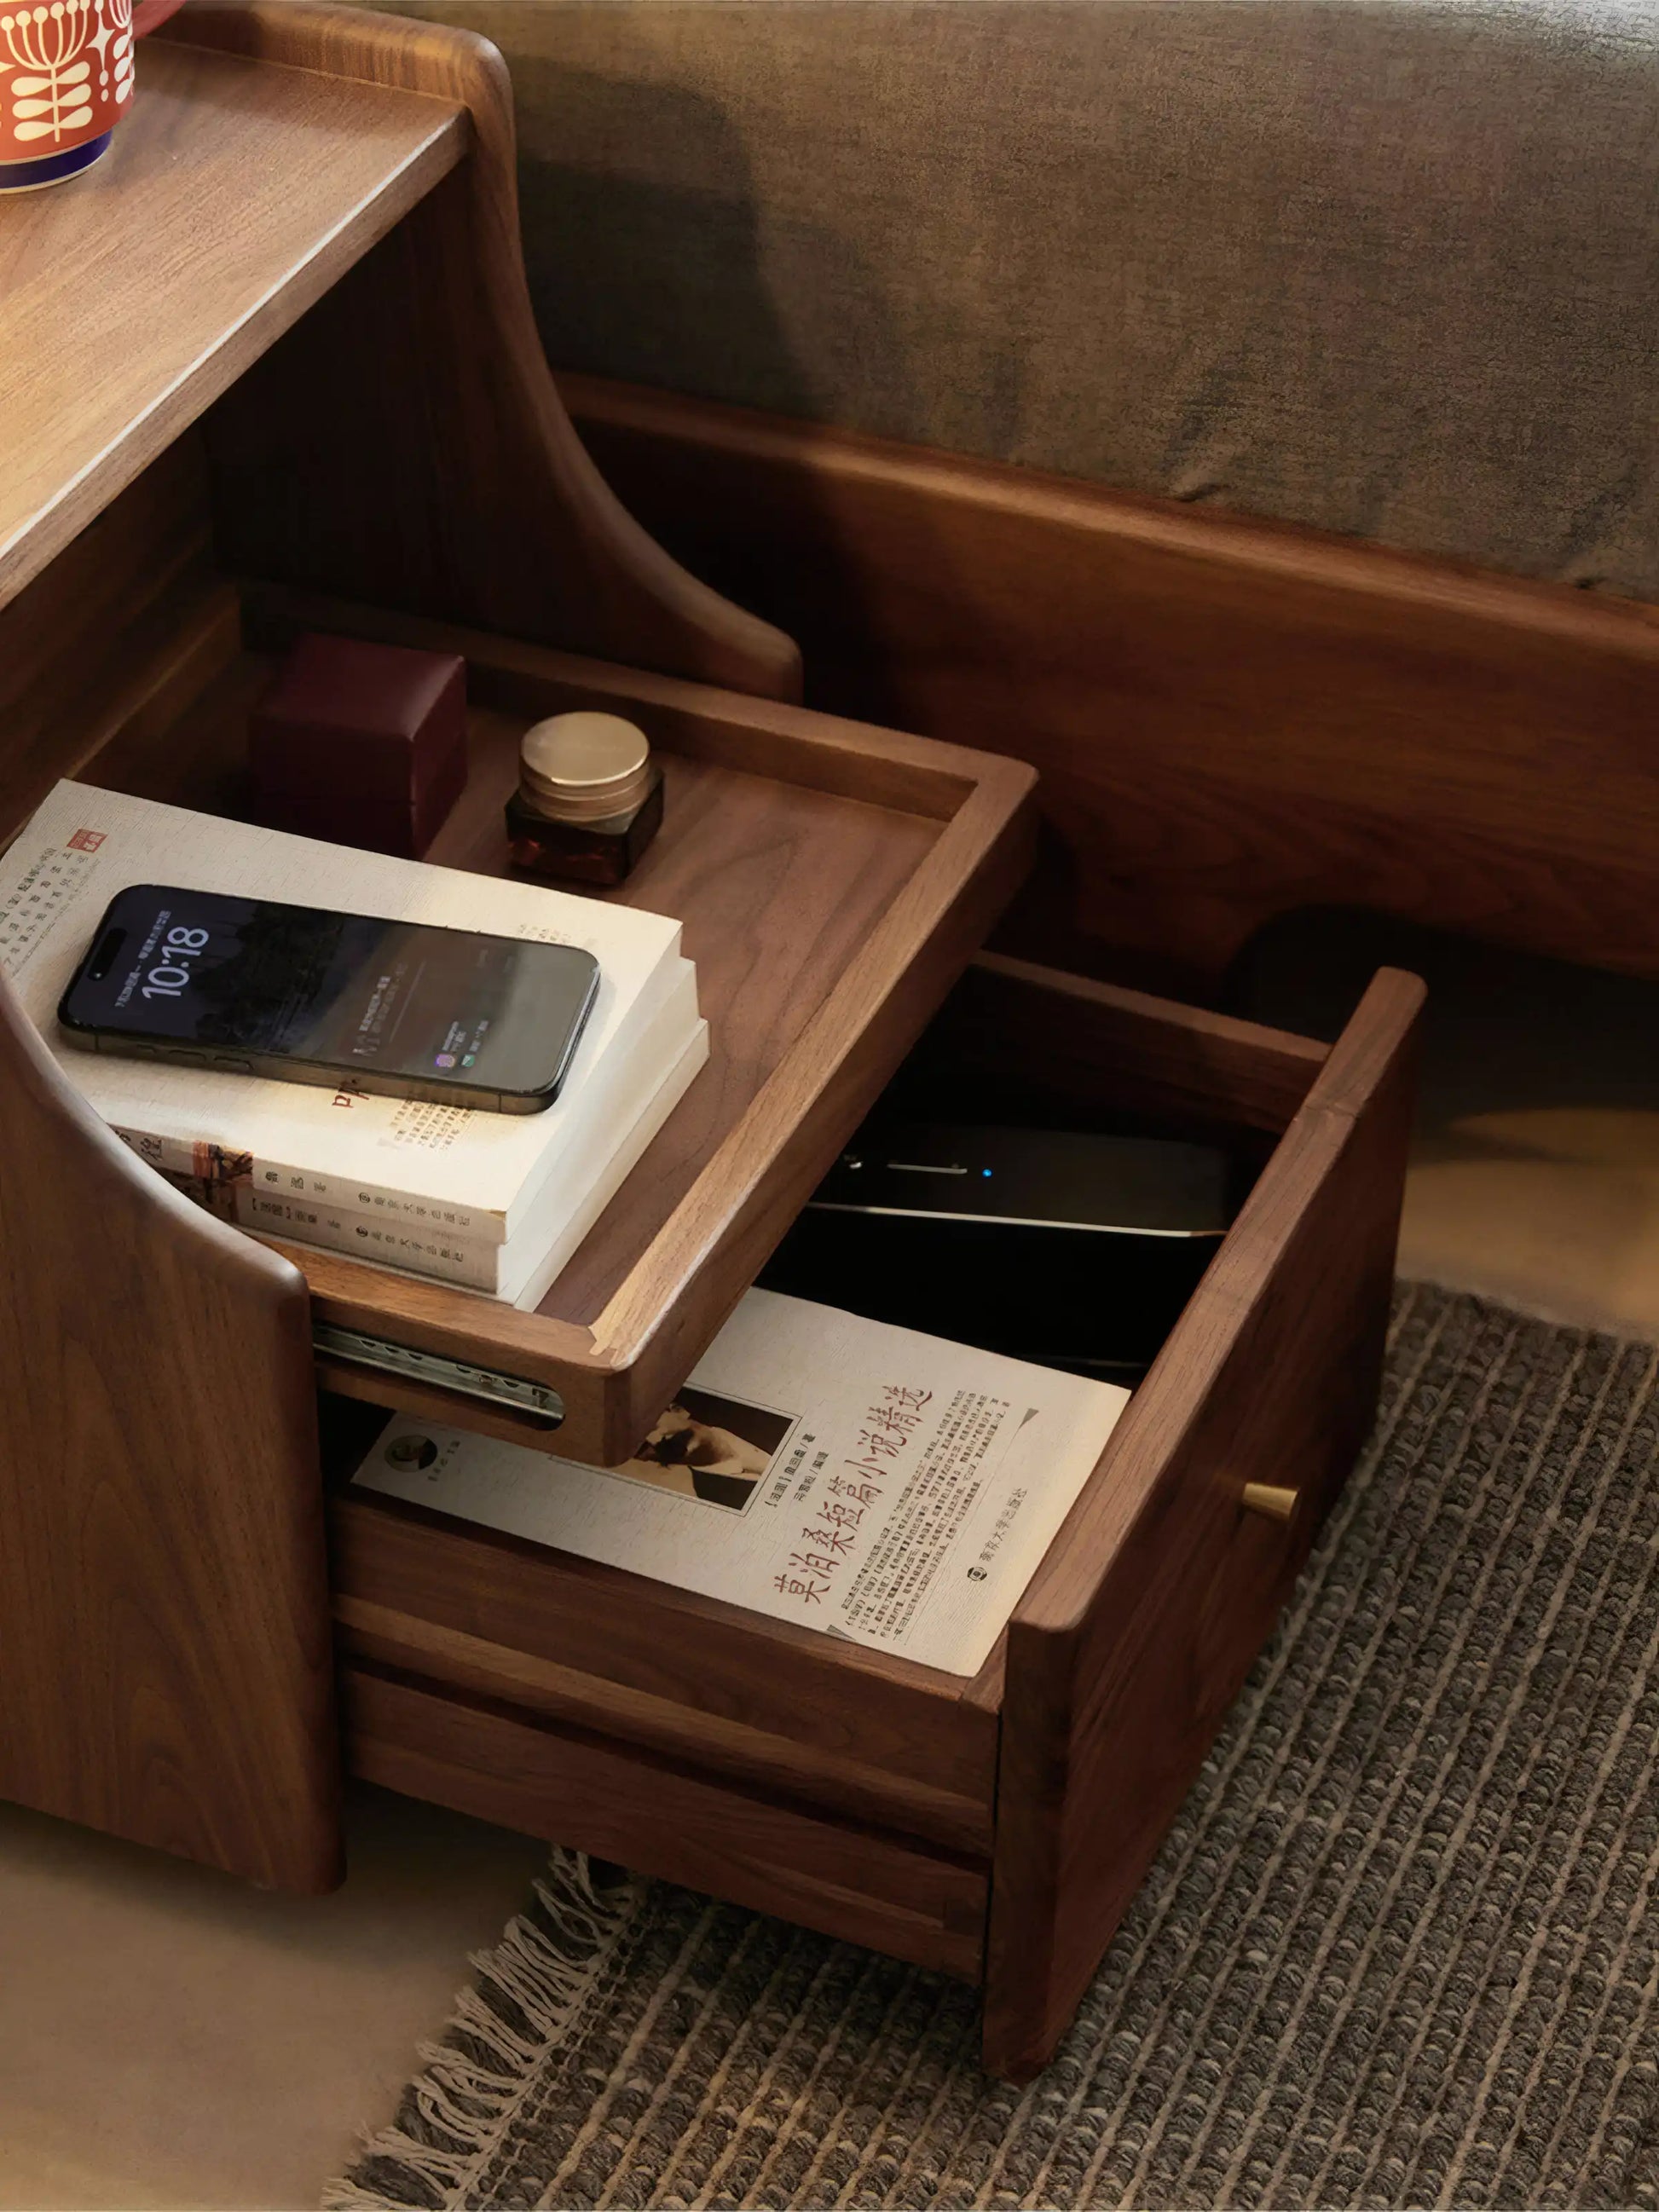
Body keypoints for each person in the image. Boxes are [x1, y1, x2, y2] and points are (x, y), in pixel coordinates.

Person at [627, 1402, 767, 1508]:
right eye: (641, 1446)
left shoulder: (750, 1407)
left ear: (676, 1409)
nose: (657, 1439)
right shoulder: (713, 1499)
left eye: (651, 1425)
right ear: (642, 1458)